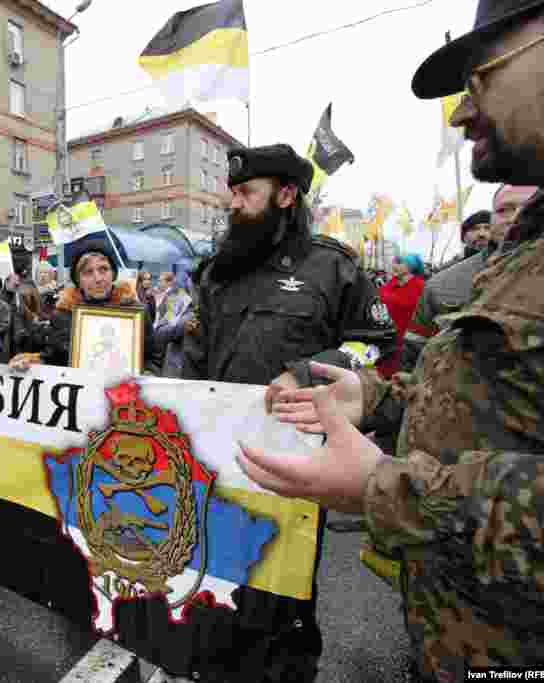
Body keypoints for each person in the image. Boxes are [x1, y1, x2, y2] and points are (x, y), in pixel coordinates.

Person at [244, 4, 544, 680]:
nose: (459, 114)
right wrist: (378, 398)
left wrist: (388, 488)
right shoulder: (542, 237)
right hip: (463, 639)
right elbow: (509, 396)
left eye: (480, 75)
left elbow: (377, 334)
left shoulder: (333, 264)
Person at [181, 143, 397, 682]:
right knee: (214, 584)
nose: (233, 203)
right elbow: (194, 356)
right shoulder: (216, 273)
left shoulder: (331, 266)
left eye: (246, 193)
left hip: (295, 468)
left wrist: (308, 371)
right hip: (217, 459)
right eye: (231, 193)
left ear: (284, 195)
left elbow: (375, 346)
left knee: (282, 599)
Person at [403, 187, 537, 370]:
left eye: (530, 205)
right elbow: (415, 350)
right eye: (504, 210)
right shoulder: (441, 285)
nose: (516, 216)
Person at [10, 238, 156, 371]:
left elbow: (153, 359)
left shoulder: (135, 313)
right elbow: (53, 359)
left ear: (113, 274)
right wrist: (31, 364)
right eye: (88, 272)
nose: (98, 278)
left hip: (123, 396)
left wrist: (149, 377)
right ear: (78, 280)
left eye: (103, 269)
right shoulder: (63, 315)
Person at [375, 254, 426, 379]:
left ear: (411, 265)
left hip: (409, 345)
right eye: (394, 262)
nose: (394, 265)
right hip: (385, 341)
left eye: (399, 262)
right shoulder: (387, 286)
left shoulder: (422, 287)